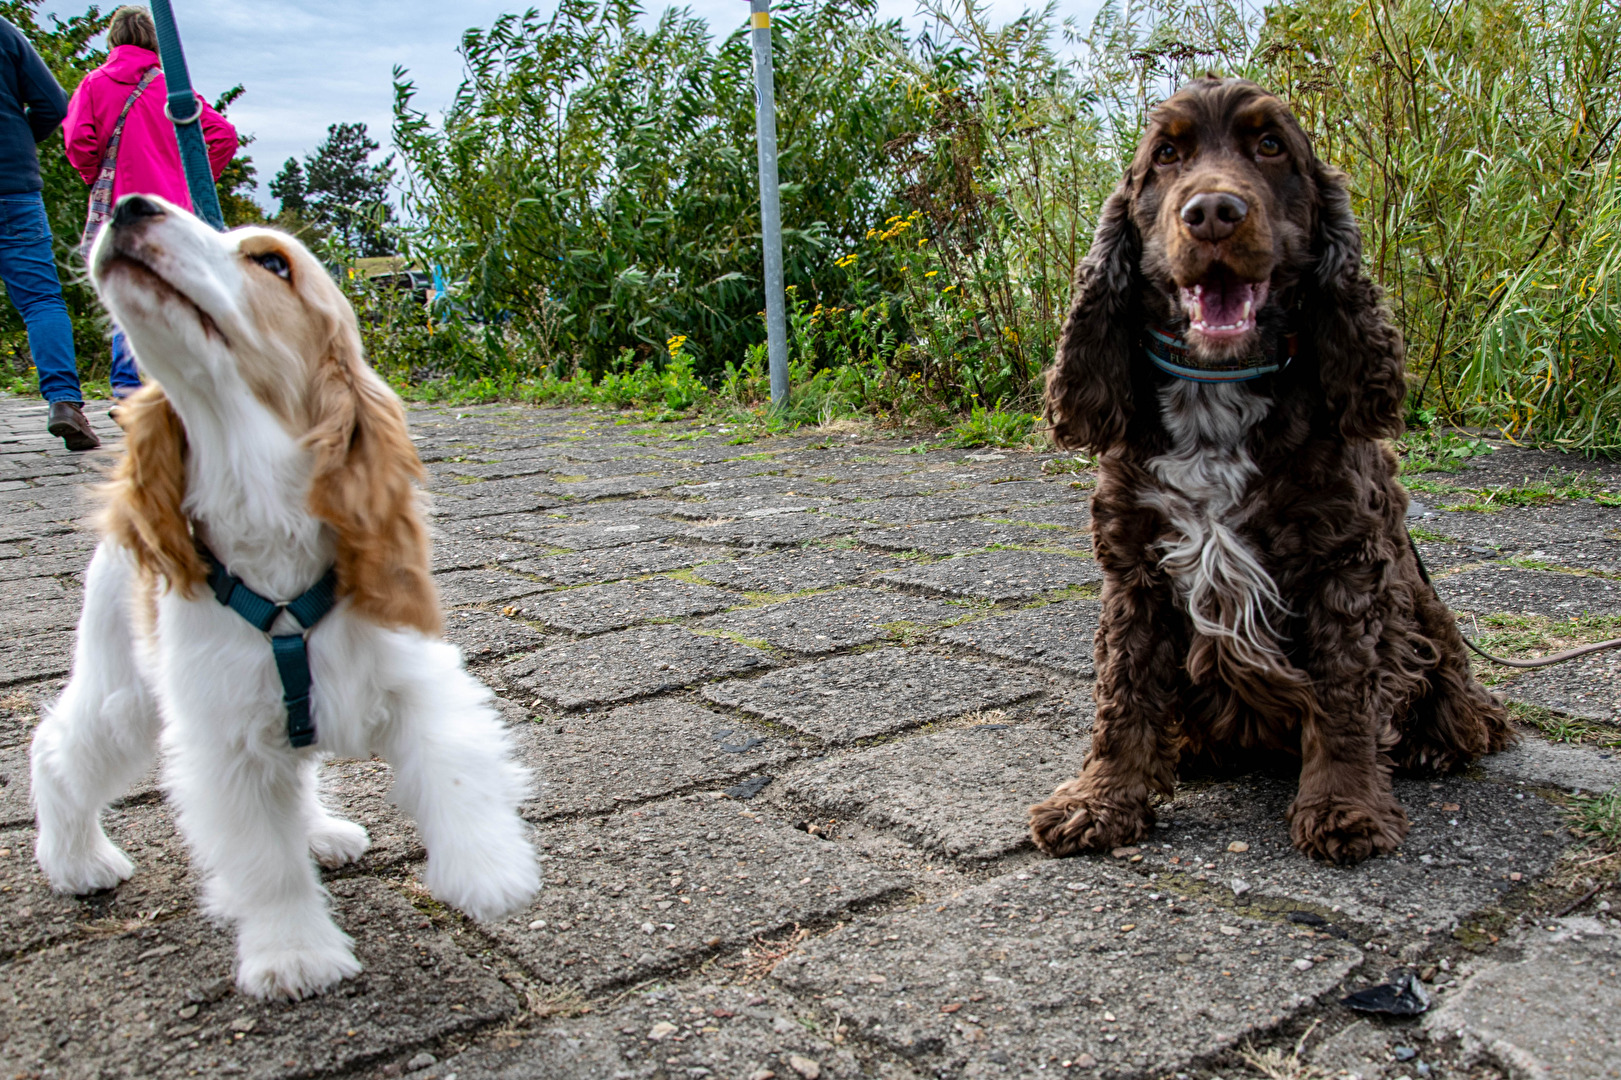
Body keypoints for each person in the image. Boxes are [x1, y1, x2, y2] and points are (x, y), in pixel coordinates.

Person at [63, 5, 235, 405]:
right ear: (154, 41)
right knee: (177, 292)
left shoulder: (93, 84)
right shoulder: (172, 89)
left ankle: (127, 389)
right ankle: (180, 387)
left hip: (119, 205)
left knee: (126, 286)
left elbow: (78, 143)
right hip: (173, 208)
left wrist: (97, 174)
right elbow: (223, 136)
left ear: (113, 40)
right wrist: (192, 177)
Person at [0, 16, 98, 450]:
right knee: (41, 300)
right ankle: (64, 402)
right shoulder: (3, 30)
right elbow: (53, 103)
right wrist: (21, 137)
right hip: (13, 187)